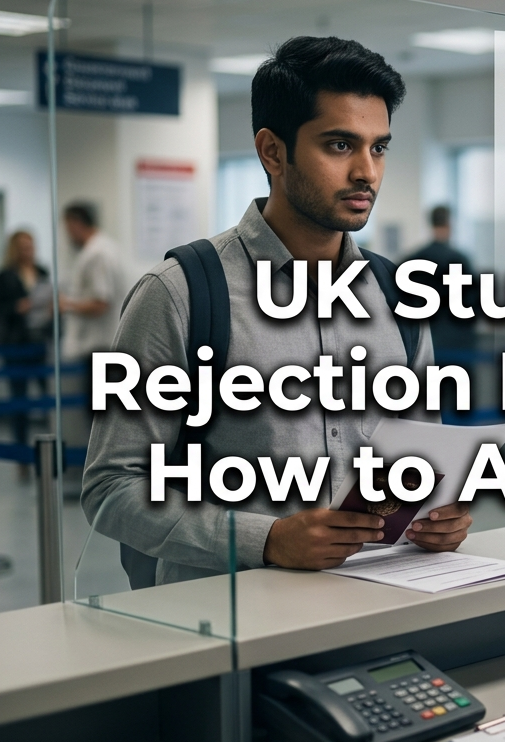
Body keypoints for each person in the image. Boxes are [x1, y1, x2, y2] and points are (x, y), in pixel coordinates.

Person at [83, 36, 473, 588]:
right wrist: (265, 539)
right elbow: (112, 488)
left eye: (379, 147)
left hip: (377, 601)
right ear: (272, 152)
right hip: (225, 626)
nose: (367, 172)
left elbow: (421, 460)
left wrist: (437, 516)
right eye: (340, 145)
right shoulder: (181, 293)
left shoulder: (398, 296)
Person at [0, 230, 52, 452]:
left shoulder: (42, 271)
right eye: (24, 246)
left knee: (47, 397)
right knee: (19, 400)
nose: (28, 250)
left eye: (31, 245)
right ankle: (21, 450)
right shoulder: (5, 275)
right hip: (16, 344)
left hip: (38, 341)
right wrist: (17, 307)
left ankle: (49, 448)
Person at [400, 205, 475, 353]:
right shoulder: (460, 260)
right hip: (457, 339)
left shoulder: (413, 260)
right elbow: (473, 301)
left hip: (423, 339)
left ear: (430, 224)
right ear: (449, 224)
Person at [60, 202, 125, 365]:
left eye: (68, 227)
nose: (67, 234)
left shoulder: (97, 253)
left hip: (100, 345)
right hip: (101, 345)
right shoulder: (104, 247)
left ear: (76, 224)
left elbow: (101, 303)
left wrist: (66, 305)